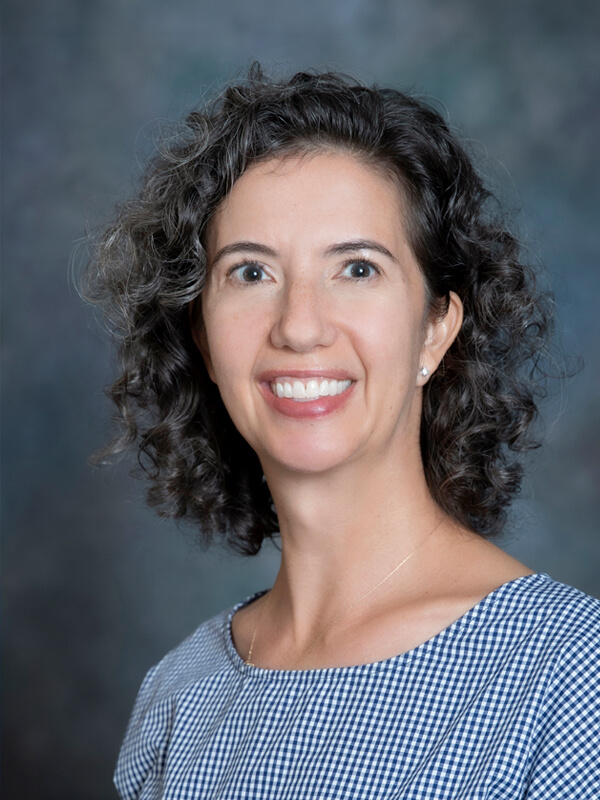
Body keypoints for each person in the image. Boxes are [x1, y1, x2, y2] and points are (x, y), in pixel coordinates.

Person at [85, 66, 599, 798]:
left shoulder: (570, 674)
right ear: (203, 337)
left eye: (357, 268)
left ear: (434, 329)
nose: (298, 326)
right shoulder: (177, 693)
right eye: (251, 273)